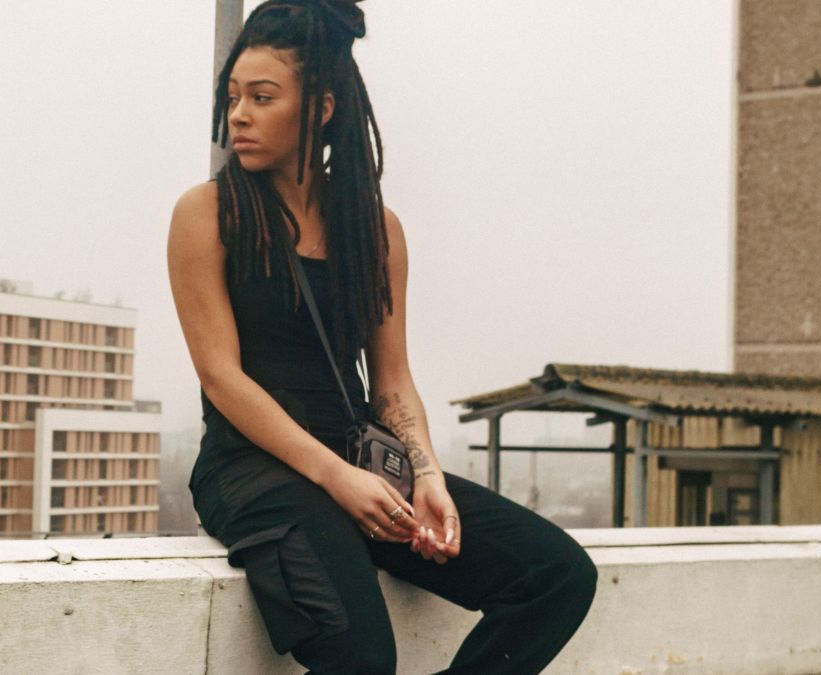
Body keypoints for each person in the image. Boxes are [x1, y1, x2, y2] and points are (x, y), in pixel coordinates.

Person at [167, 1, 597, 672]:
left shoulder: (376, 229)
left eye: (262, 97)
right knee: (362, 659)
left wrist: (425, 476)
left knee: (555, 576)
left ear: (322, 107)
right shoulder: (208, 213)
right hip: (252, 469)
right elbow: (221, 376)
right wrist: (337, 478)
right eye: (234, 97)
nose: (239, 115)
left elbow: (392, 380)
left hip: (360, 465)